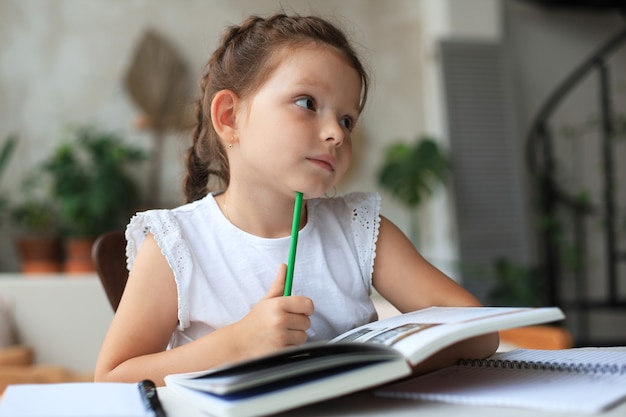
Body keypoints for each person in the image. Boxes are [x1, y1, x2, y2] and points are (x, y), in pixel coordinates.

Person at [95, 13, 497, 385]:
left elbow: (478, 333)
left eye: (346, 120)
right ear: (230, 118)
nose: (337, 134)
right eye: (308, 103)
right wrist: (237, 344)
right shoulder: (176, 244)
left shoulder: (361, 231)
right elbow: (112, 379)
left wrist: (376, 367)